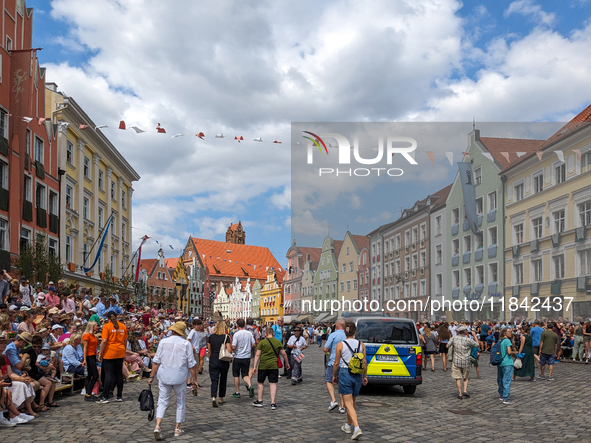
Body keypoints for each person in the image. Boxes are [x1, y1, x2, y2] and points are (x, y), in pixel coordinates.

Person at [149, 321, 198, 440]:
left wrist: (151, 376)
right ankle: (177, 428)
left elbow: (156, 361)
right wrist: (194, 380)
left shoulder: (163, 342)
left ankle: (158, 425)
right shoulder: (186, 344)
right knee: (180, 402)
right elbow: (191, 364)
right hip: (180, 376)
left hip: (164, 375)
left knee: (162, 401)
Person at [332, 322, 367, 440]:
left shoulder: (340, 345)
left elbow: (336, 363)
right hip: (357, 374)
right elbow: (364, 362)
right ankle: (348, 425)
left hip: (345, 372)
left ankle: (356, 428)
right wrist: (365, 376)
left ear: (345, 332)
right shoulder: (361, 344)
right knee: (351, 403)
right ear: (355, 332)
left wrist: (334, 375)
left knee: (347, 403)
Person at [252, 325, 290, 409]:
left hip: (263, 365)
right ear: (273, 334)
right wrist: (287, 363)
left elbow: (257, 354)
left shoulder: (262, 342)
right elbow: (284, 354)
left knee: (260, 382)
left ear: (265, 334)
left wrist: (254, 366)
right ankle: (273, 403)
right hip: (273, 365)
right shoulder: (277, 342)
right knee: (272, 383)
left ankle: (260, 400)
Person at [97, 311, 128, 403]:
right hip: (120, 351)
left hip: (109, 352)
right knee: (119, 374)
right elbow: (125, 340)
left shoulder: (107, 326)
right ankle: (119, 396)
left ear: (107, 318)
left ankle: (105, 396)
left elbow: (104, 340)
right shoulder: (123, 326)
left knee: (108, 374)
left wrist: (100, 353)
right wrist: (124, 351)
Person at [446, 325, 478, 400]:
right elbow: (477, 345)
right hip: (466, 361)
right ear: (465, 332)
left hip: (456, 360)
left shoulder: (454, 338)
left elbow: (447, 346)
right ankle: (465, 391)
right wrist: (474, 336)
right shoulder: (468, 340)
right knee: (466, 377)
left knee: (458, 378)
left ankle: (460, 394)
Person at [207, 321, 232, 407]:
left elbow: (209, 350)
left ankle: (213, 397)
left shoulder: (211, 337)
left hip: (213, 359)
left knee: (214, 380)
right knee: (223, 379)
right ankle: (221, 398)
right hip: (223, 360)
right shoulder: (226, 337)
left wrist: (210, 358)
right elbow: (229, 349)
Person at [324, 318, 347, 412]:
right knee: (342, 384)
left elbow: (325, 349)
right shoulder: (348, 336)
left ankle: (333, 400)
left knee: (329, 380)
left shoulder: (333, 335)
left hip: (334, 362)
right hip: (345, 363)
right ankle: (342, 406)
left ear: (337, 325)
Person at [231, 318, 256, 398]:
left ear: (237, 325)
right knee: (245, 374)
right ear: (244, 324)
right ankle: (249, 385)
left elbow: (234, 346)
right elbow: (254, 344)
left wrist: (233, 349)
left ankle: (237, 392)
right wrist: (247, 346)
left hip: (238, 356)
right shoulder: (249, 333)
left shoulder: (236, 334)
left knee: (236, 375)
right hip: (247, 357)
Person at [497, 328, 516, 404]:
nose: (510, 333)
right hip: (507, 362)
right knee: (507, 380)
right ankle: (506, 398)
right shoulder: (507, 341)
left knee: (500, 379)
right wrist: (514, 352)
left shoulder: (500, 341)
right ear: (504, 333)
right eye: (509, 332)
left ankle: (501, 395)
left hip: (500, 362)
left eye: (511, 331)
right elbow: (509, 352)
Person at [82, 321, 100, 401]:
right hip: (89, 356)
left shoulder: (93, 335)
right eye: (96, 325)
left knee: (89, 375)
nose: (97, 327)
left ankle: (88, 393)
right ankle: (88, 393)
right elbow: (85, 348)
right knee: (95, 375)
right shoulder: (86, 335)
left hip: (93, 355)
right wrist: (85, 359)